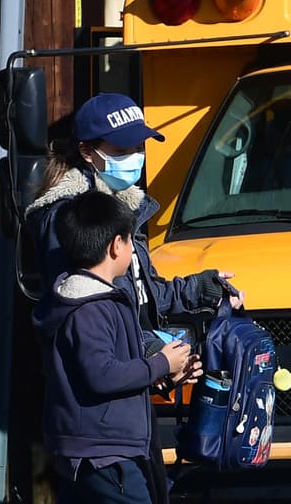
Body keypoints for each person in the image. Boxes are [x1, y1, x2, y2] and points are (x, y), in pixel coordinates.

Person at [25, 91, 243, 501]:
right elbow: (91, 319)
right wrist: (158, 359)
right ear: (87, 152)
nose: (136, 158)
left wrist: (202, 287)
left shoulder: (120, 208)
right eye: (122, 149)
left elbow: (143, 293)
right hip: (99, 429)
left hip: (126, 410)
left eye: (139, 147)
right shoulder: (75, 221)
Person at [33, 191, 197, 504]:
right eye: (130, 239)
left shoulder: (94, 301)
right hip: (103, 455)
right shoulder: (91, 308)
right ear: (115, 246)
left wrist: (162, 378)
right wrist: (160, 364)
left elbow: (102, 373)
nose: (133, 248)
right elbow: (103, 375)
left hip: (93, 450)